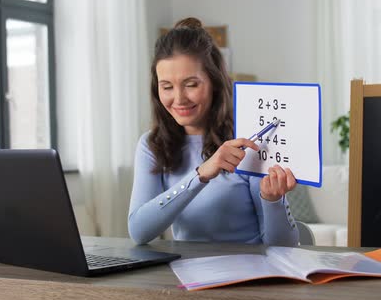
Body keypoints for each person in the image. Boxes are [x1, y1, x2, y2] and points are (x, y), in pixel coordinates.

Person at [128, 17, 299, 246]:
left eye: (191, 84)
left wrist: (273, 200)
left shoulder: (249, 141)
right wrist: (200, 175)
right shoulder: (152, 144)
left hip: (250, 275)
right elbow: (139, 231)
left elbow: (284, 248)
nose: (179, 99)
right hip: (188, 276)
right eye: (167, 86)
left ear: (214, 82)